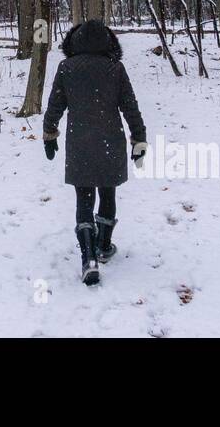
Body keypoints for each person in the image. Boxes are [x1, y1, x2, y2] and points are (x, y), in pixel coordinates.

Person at [42, 19, 147, 285]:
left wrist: (49, 133)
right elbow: (130, 107)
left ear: (73, 43)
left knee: (84, 198)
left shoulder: (67, 68)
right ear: (108, 42)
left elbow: (55, 104)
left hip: (80, 142)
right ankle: (104, 245)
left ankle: (88, 257)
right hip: (109, 139)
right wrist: (139, 140)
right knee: (108, 192)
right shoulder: (115, 68)